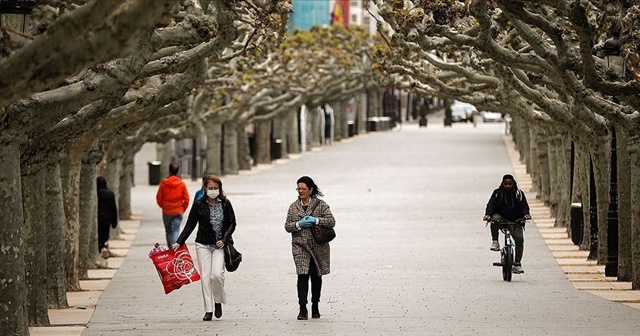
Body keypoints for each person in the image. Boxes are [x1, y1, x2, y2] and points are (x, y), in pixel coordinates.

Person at [173, 175, 237, 321]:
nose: (213, 191)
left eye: (216, 188)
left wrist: (224, 239)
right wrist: (179, 242)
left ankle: (218, 301)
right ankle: (208, 309)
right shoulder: (199, 204)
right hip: (203, 244)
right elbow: (190, 224)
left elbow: (233, 223)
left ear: (219, 189)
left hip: (220, 245)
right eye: (210, 188)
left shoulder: (226, 204)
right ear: (205, 188)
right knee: (206, 277)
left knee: (217, 275)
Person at [285, 176, 335, 320]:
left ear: (310, 190)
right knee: (302, 275)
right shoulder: (293, 207)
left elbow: (332, 221)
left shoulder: (321, 205)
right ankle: (302, 308)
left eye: (303, 189)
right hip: (300, 246)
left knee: (316, 276)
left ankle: (315, 306)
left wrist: (317, 220)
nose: (300, 191)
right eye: (298, 188)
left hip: (318, 246)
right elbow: (287, 226)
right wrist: (299, 224)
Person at [483, 174, 532, 274]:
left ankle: (517, 263)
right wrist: (488, 214)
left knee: (519, 240)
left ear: (513, 184)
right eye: (506, 184)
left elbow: (524, 205)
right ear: (502, 184)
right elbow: (491, 204)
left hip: (515, 221)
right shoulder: (497, 193)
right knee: (494, 220)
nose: (508, 186)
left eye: (510, 184)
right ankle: (495, 241)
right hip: (501, 219)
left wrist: (526, 214)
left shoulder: (519, 194)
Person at [156, 162, 190, 248]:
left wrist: (163, 206)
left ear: (169, 170)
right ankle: (175, 246)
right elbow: (186, 198)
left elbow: (159, 197)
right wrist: (183, 208)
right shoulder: (181, 183)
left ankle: (171, 247)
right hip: (178, 210)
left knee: (168, 230)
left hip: (167, 210)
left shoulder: (164, 183)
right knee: (176, 229)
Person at [97, 176, 118, 259]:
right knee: (105, 234)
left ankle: (100, 248)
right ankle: (104, 247)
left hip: (98, 217)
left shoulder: (96, 193)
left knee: (99, 234)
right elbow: (113, 208)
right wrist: (114, 222)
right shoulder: (110, 194)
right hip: (107, 218)